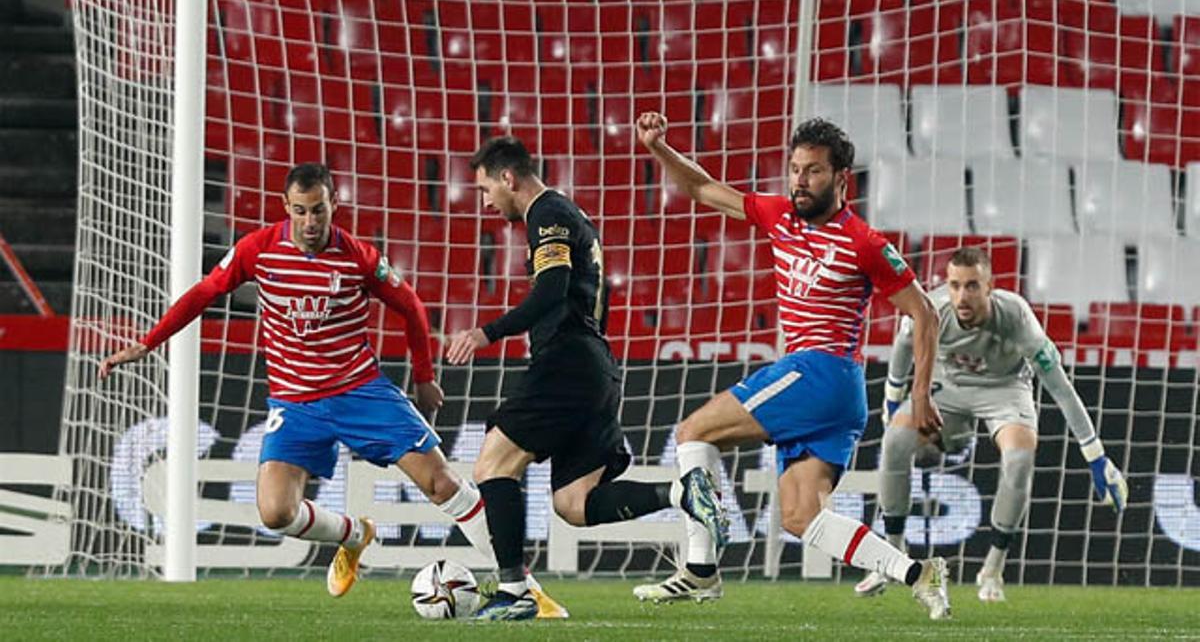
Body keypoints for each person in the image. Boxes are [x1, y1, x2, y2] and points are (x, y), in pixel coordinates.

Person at [98, 163, 494, 598]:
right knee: (275, 513)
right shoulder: (258, 249)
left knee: (441, 483)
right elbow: (204, 292)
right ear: (285, 207)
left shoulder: (358, 256)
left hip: (359, 390)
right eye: (301, 211)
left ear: (334, 205)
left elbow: (411, 307)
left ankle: (519, 585)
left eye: (318, 210)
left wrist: (423, 376)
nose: (310, 222)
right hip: (295, 402)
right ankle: (353, 535)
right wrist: (149, 342)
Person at [634, 111, 953, 620]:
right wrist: (658, 148)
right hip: (836, 395)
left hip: (820, 370)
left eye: (814, 171)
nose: (801, 181)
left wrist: (920, 394)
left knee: (694, 432)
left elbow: (926, 312)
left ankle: (699, 570)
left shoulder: (866, 243)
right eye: (796, 169)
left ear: (841, 179)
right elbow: (702, 189)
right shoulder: (777, 213)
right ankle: (918, 574)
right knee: (802, 516)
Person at [445, 136, 705, 621]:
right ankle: (684, 493)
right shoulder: (568, 215)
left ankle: (514, 591)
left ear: (508, 178)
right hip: (595, 370)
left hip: (567, 362)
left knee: (492, 466)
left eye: (485, 189)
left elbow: (552, 290)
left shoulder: (547, 214)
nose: (485, 202)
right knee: (573, 503)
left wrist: (489, 332)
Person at [853, 247, 1128, 603]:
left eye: (971, 286)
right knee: (894, 442)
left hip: (1006, 389)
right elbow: (905, 343)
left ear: (989, 287)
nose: (961, 296)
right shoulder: (932, 308)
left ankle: (993, 568)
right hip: (948, 386)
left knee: (1019, 461)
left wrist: (1096, 457)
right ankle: (893, 558)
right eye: (954, 286)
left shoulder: (1017, 318)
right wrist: (892, 401)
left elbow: (1061, 389)